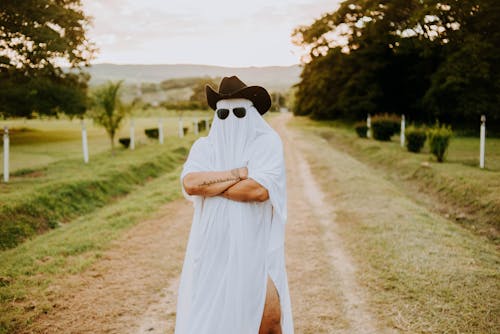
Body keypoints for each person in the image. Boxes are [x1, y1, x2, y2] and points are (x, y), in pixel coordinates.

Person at [174, 76, 293, 334]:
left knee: (269, 320)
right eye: (224, 113)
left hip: (257, 244)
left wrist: (212, 186)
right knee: (215, 319)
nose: (231, 119)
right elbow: (191, 184)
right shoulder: (204, 147)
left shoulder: (267, 143)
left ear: (250, 114)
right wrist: (239, 173)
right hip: (212, 246)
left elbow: (259, 189)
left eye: (239, 112)